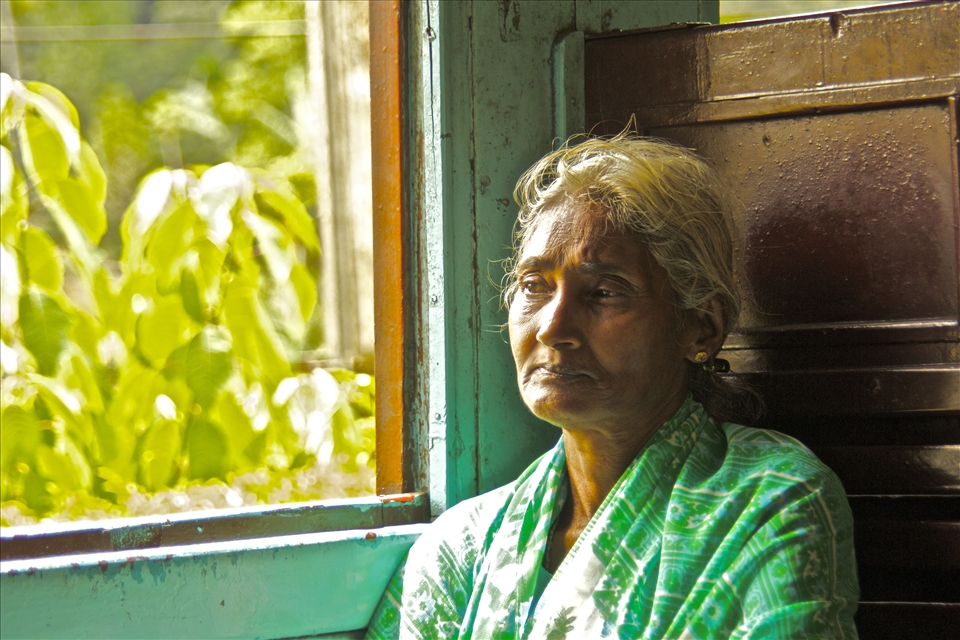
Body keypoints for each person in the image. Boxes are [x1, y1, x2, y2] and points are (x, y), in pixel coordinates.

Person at [366, 136, 859, 639]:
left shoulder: (767, 503)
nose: (552, 328)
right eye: (535, 286)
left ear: (700, 328)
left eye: (604, 292)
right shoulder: (462, 547)